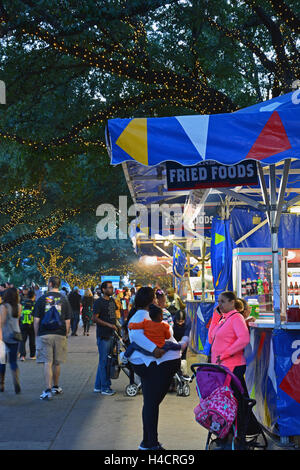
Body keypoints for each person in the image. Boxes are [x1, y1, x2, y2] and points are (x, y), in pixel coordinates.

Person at [127, 287, 181, 450]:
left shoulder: (140, 315)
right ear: (152, 301)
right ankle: (150, 443)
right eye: (156, 298)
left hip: (152, 365)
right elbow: (138, 335)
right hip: (155, 365)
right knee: (151, 404)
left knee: (150, 404)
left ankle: (149, 442)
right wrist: (154, 349)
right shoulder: (146, 316)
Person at [208, 291, 259, 442]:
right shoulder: (224, 318)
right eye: (218, 301)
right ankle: (231, 433)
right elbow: (211, 338)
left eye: (223, 301)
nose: (220, 304)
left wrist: (225, 354)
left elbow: (243, 339)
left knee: (236, 402)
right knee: (227, 402)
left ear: (232, 302)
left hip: (233, 366)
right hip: (222, 367)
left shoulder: (236, 318)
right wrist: (215, 317)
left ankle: (239, 434)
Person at [33, 276, 72, 400]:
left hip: (45, 334)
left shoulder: (41, 299)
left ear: (49, 284)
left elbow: (36, 320)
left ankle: (48, 390)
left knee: (47, 362)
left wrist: (36, 335)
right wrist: (65, 334)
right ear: (58, 285)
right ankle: (56, 386)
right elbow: (67, 320)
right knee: (57, 362)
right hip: (60, 334)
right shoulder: (64, 299)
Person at [92, 280, 118, 396]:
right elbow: (94, 318)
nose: (111, 289)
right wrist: (109, 325)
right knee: (104, 362)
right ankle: (105, 387)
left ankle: (98, 386)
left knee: (104, 361)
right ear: (103, 290)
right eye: (109, 288)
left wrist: (118, 327)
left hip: (112, 335)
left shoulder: (112, 301)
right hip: (103, 335)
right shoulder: (99, 302)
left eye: (112, 287)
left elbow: (114, 317)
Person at [0, 287, 22, 394]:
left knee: (2, 361)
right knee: (13, 361)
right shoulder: (19, 306)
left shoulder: (4, 307)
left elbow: (1, 322)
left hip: (5, 336)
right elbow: (17, 320)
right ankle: (16, 380)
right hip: (16, 336)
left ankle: (2, 383)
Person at [172, 309, 191, 376]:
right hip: (175, 336)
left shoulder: (188, 321)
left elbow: (186, 335)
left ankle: (183, 373)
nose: (180, 323)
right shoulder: (172, 319)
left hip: (183, 337)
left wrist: (182, 347)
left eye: (181, 321)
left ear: (184, 320)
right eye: (178, 321)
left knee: (183, 356)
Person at [19, 288, 36, 361]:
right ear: (34, 296)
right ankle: (32, 355)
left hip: (23, 324)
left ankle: (22, 356)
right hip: (32, 324)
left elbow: (19, 314)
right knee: (32, 340)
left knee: (22, 340)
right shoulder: (34, 304)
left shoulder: (22, 303)